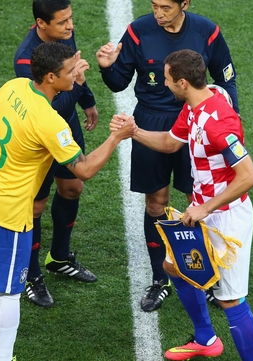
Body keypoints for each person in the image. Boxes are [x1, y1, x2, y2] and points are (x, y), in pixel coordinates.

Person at [0, 42, 136, 360]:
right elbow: (85, 170)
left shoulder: (13, 86)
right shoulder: (50, 123)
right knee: (9, 290)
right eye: (69, 71)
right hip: (7, 211)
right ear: (50, 76)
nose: (76, 73)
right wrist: (116, 137)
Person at [111, 49, 253, 361]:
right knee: (174, 267)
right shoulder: (195, 107)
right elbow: (170, 142)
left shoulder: (219, 122)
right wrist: (134, 131)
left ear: (182, 82)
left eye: (167, 80)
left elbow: (248, 177)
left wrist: (205, 208)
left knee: (231, 301)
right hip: (201, 213)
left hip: (226, 219)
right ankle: (206, 339)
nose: (163, 85)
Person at [96, 0, 238, 312]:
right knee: (156, 202)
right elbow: (118, 82)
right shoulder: (138, 31)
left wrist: (229, 121)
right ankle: (161, 278)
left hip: (195, 121)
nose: (158, 13)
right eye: (154, 6)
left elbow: (227, 79)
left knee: (197, 201)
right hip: (151, 121)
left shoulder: (207, 32)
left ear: (184, 4)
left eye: (165, 7)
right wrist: (107, 66)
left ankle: (206, 275)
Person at [13, 0, 98, 309]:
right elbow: (45, 111)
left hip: (66, 128)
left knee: (73, 186)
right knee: (35, 206)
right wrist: (76, 83)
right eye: (62, 22)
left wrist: (86, 98)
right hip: (41, 138)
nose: (70, 27)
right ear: (41, 23)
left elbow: (71, 83)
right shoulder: (27, 61)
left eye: (70, 19)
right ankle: (32, 276)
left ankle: (59, 257)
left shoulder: (63, 36)